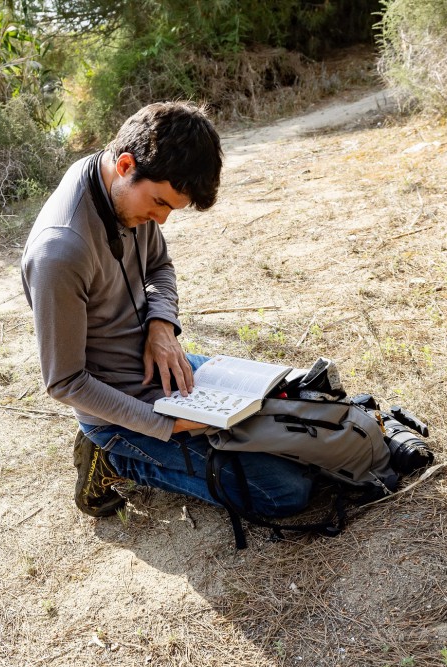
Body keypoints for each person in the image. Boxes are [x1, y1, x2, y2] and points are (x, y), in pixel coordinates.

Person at [20, 102, 313, 519]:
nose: (161, 220)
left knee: (298, 401)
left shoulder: (117, 183)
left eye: (171, 209)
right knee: (285, 492)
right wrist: (167, 426)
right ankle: (114, 458)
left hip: (168, 369)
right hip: (120, 409)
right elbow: (65, 382)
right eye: (159, 203)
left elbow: (158, 266)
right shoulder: (60, 252)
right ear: (125, 164)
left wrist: (161, 327)